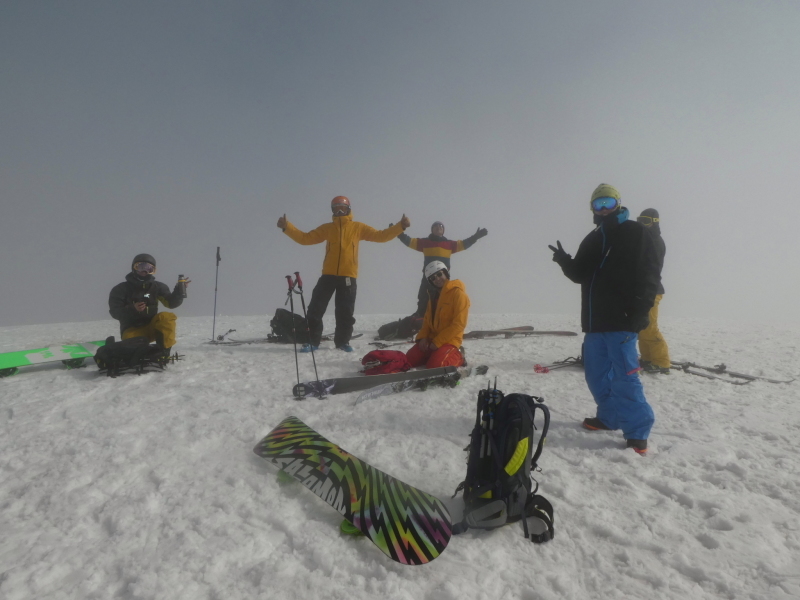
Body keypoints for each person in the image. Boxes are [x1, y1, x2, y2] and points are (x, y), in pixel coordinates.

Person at [548, 184, 660, 455]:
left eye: (608, 202)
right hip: (595, 322)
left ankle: (637, 432)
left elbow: (649, 274)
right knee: (596, 376)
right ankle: (609, 418)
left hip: (622, 320)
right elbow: (581, 274)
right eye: (598, 204)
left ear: (618, 203)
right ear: (592, 209)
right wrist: (565, 261)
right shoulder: (593, 237)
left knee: (625, 377)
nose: (603, 208)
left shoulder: (635, 233)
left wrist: (641, 310)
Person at [277, 196, 410, 352]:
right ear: (332, 210)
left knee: (345, 312)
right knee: (315, 309)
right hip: (328, 276)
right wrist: (287, 227)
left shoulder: (357, 228)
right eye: (336, 208)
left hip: (348, 276)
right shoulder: (327, 228)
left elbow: (380, 236)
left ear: (349, 209)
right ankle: (312, 341)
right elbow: (306, 238)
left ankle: (342, 342)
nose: (339, 211)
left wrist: (400, 226)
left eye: (342, 207)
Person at [397, 221, 487, 316]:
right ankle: (420, 318)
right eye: (435, 226)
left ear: (443, 230)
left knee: (443, 299)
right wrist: (397, 232)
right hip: (428, 277)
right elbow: (409, 241)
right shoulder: (425, 242)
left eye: (441, 226)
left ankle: (441, 320)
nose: (438, 227)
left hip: (443, 277)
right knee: (423, 298)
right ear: (432, 230)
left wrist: (475, 237)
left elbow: (464, 244)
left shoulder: (450, 244)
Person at [108, 254, 189, 351]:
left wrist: (179, 292)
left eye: (149, 268)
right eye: (141, 267)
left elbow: (171, 304)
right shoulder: (121, 289)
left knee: (167, 317)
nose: (144, 271)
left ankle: (164, 352)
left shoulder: (157, 287)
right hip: (131, 330)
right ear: (134, 268)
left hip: (152, 328)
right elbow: (115, 312)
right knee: (133, 348)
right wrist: (133, 308)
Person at [406, 260, 470, 368]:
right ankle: (435, 355)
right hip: (432, 340)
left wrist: (437, 342)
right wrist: (423, 337)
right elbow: (427, 321)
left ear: (445, 273)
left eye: (439, 274)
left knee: (435, 366)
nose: (437, 279)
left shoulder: (458, 294)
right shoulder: (433, 296)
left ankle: (459, 357)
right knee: (409, 360)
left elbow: (459, 324)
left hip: (450, 340)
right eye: (433, 278)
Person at [636, 208, 670, 374]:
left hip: (651, 290)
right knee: (642, 326)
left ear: (654, 222)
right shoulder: (645, 239)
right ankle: (648, 358)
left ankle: (662, 362)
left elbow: (652, 269)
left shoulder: (655, 241)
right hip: (643, 289)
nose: (641, 224)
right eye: (639, 220)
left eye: (645, 221)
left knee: (649, 326)